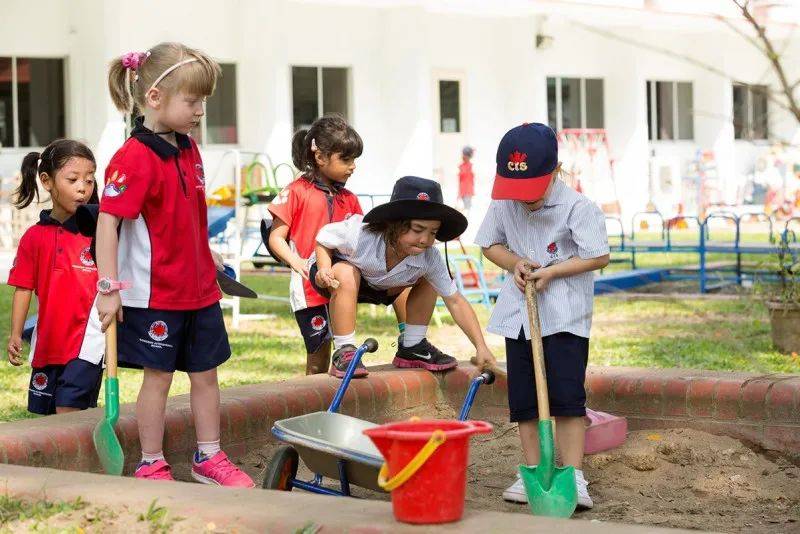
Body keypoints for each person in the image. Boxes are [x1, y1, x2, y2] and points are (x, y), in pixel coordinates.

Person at [96, 42, 253, 486]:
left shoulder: (189, 149)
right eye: (193, 100)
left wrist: (208, 253)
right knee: (159, 378)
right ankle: (150, 462)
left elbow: (187, 215)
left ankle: (209, 457)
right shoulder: (133, 158)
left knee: (206, 375)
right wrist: (107, 287)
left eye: (203, 100)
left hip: (200, 288)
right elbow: (108, 225)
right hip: (156, 293)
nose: (200, 110)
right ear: (155, 99)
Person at [475, 123, 610, 509]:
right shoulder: (503, 203)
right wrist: (515, 262)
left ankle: (574, 475)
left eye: (531, 189)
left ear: (555, 171)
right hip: (519, 316)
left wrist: (552, 271)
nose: (523, 200)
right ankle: (533, 469)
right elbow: (490, 244)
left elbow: (598, 254)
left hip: (564, 316)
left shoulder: (578, 208)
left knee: (566, 397)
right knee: (525, 400)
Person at [311, 176, 497, 378]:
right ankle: (344, 350)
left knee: (429, 277)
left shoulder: (429, 257)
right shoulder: (360, 234)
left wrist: (481, 346)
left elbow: (455, 300)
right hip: (338, 277)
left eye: (433, 232)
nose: (425, 239)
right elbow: (324, 238)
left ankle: (412, 345)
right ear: (394, 224)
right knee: (346, 272)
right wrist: (324, 268)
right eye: (417, 229)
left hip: (386, 285)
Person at [7, 139, 103, 416]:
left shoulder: (99, 234)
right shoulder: (33, 238)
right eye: (73, 179)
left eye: (89, 180)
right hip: (47, 344)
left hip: (89, 343)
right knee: (47, 416)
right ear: (46, 181)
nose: (83, 188)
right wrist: (15, 333)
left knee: (68, 410)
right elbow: (23, 288)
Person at [266, 115, 365, 375]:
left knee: (343, 355)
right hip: (308, 289)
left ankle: (334, 409)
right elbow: (276, 237)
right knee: (318, 355)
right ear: (320, 157)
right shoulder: (296, 191)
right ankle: (314, 411)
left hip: (339, 286)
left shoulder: (351, 199)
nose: (353, 166)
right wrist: (297, 262)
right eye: (346, 159)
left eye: (354, 159)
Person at [458, 146, 475, 213]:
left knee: (467, 210)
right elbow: (460, 181)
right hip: (462, 192)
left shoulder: (471, 166)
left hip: (468, 192)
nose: (463, 156)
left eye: (465, 155)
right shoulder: (461, 166)